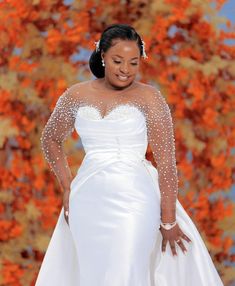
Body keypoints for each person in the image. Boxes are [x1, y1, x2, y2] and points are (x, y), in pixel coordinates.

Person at [35, 23, 224, 286]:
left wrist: (168, 220)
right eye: (118, 61)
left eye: (134, 62)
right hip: (87, 199)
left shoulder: (150, 97)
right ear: (102, 57)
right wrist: (67, 186)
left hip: (135, 198)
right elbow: (50, 139)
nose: (126, 70)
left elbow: (167, 163)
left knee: (126, 269)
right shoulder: (75, 95)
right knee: (93, 273)